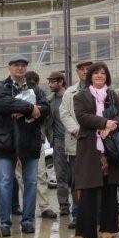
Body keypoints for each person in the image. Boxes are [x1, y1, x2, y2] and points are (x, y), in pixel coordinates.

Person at [72, 62, 119, 238]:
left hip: (110, 147)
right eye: (96, 73)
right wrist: (105, 122)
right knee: (87, 189)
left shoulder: (112, 94)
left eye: (103, 73)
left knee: (109, 188)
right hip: (90, 147)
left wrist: (112, 125)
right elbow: (82, 117)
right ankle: (83, 232)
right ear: (90, 76)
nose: (99, 76)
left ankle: (108, 228)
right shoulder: (81, 96)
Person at [0, 54, 50, 236]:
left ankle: (28, 221)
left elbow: (46, 108)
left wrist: (24, 112)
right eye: (16, 65)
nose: (20, 68)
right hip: (5, 143)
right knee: (4, 183)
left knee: (31, 183)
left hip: (30, 142)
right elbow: (3, 104)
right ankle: (4, 222)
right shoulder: (1, 86)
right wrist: (30, 109)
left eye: (23, 65)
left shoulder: (36, 88)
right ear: (9, 68)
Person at [60, 60, 92, 229]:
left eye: (88, 69)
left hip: (96, 143)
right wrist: (77, 130)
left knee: (96, 181)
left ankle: (95, 214)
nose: (85, 72)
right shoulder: (70, 92)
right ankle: (77, 214)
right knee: (76, 181)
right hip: (76, 143)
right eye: (82, 69)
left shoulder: (101, 90)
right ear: (78, 72)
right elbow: (64, 114)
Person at [23, 70, 56, 220]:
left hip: (27, 140)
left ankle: (29, 208)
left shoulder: (38, 94)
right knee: (40, 175)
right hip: (34, 140)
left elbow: (45, 112)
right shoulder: (40, 93)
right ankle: (44, 207)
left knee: (22, 177)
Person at [44, 71, 71, 217]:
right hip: (58, 141)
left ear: (61, 82)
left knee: (75, 176)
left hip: (73, 140)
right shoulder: (50, 100)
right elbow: (46, 123)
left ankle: (79, 207)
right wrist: (51, 139)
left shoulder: (72, 97)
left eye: (52, 81)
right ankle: (64, 206)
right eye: (49, 81)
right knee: (60, 175)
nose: (50, 84)